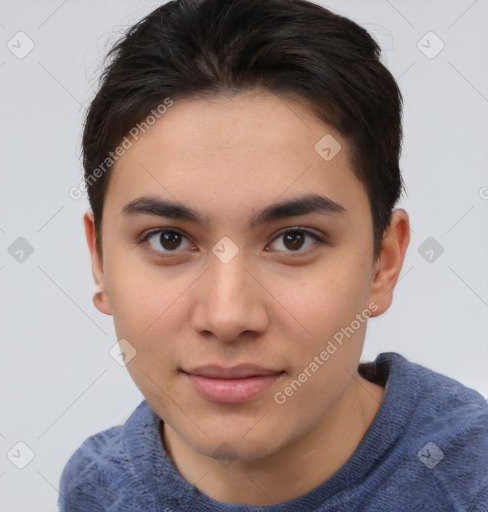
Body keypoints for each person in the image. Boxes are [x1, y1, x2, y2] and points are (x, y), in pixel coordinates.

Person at [58, 0, 488, 510]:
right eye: (168, 239)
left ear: (383, 262)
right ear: (100, 260)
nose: (228, 316)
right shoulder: (98, 490)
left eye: (294, 239)